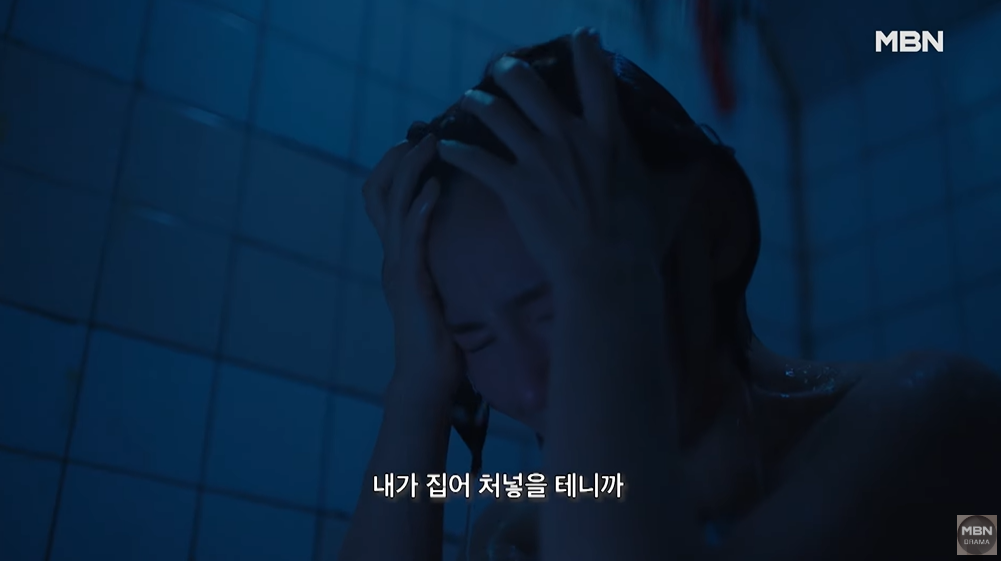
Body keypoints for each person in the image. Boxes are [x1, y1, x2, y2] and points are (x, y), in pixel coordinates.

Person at [338, 29, 1001, 561]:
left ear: (712, 233)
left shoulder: (931, 416)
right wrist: (418, 387)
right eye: (474, 338)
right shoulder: (522, 527)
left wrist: (603, 286)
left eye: (552, 307)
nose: (530, 388)